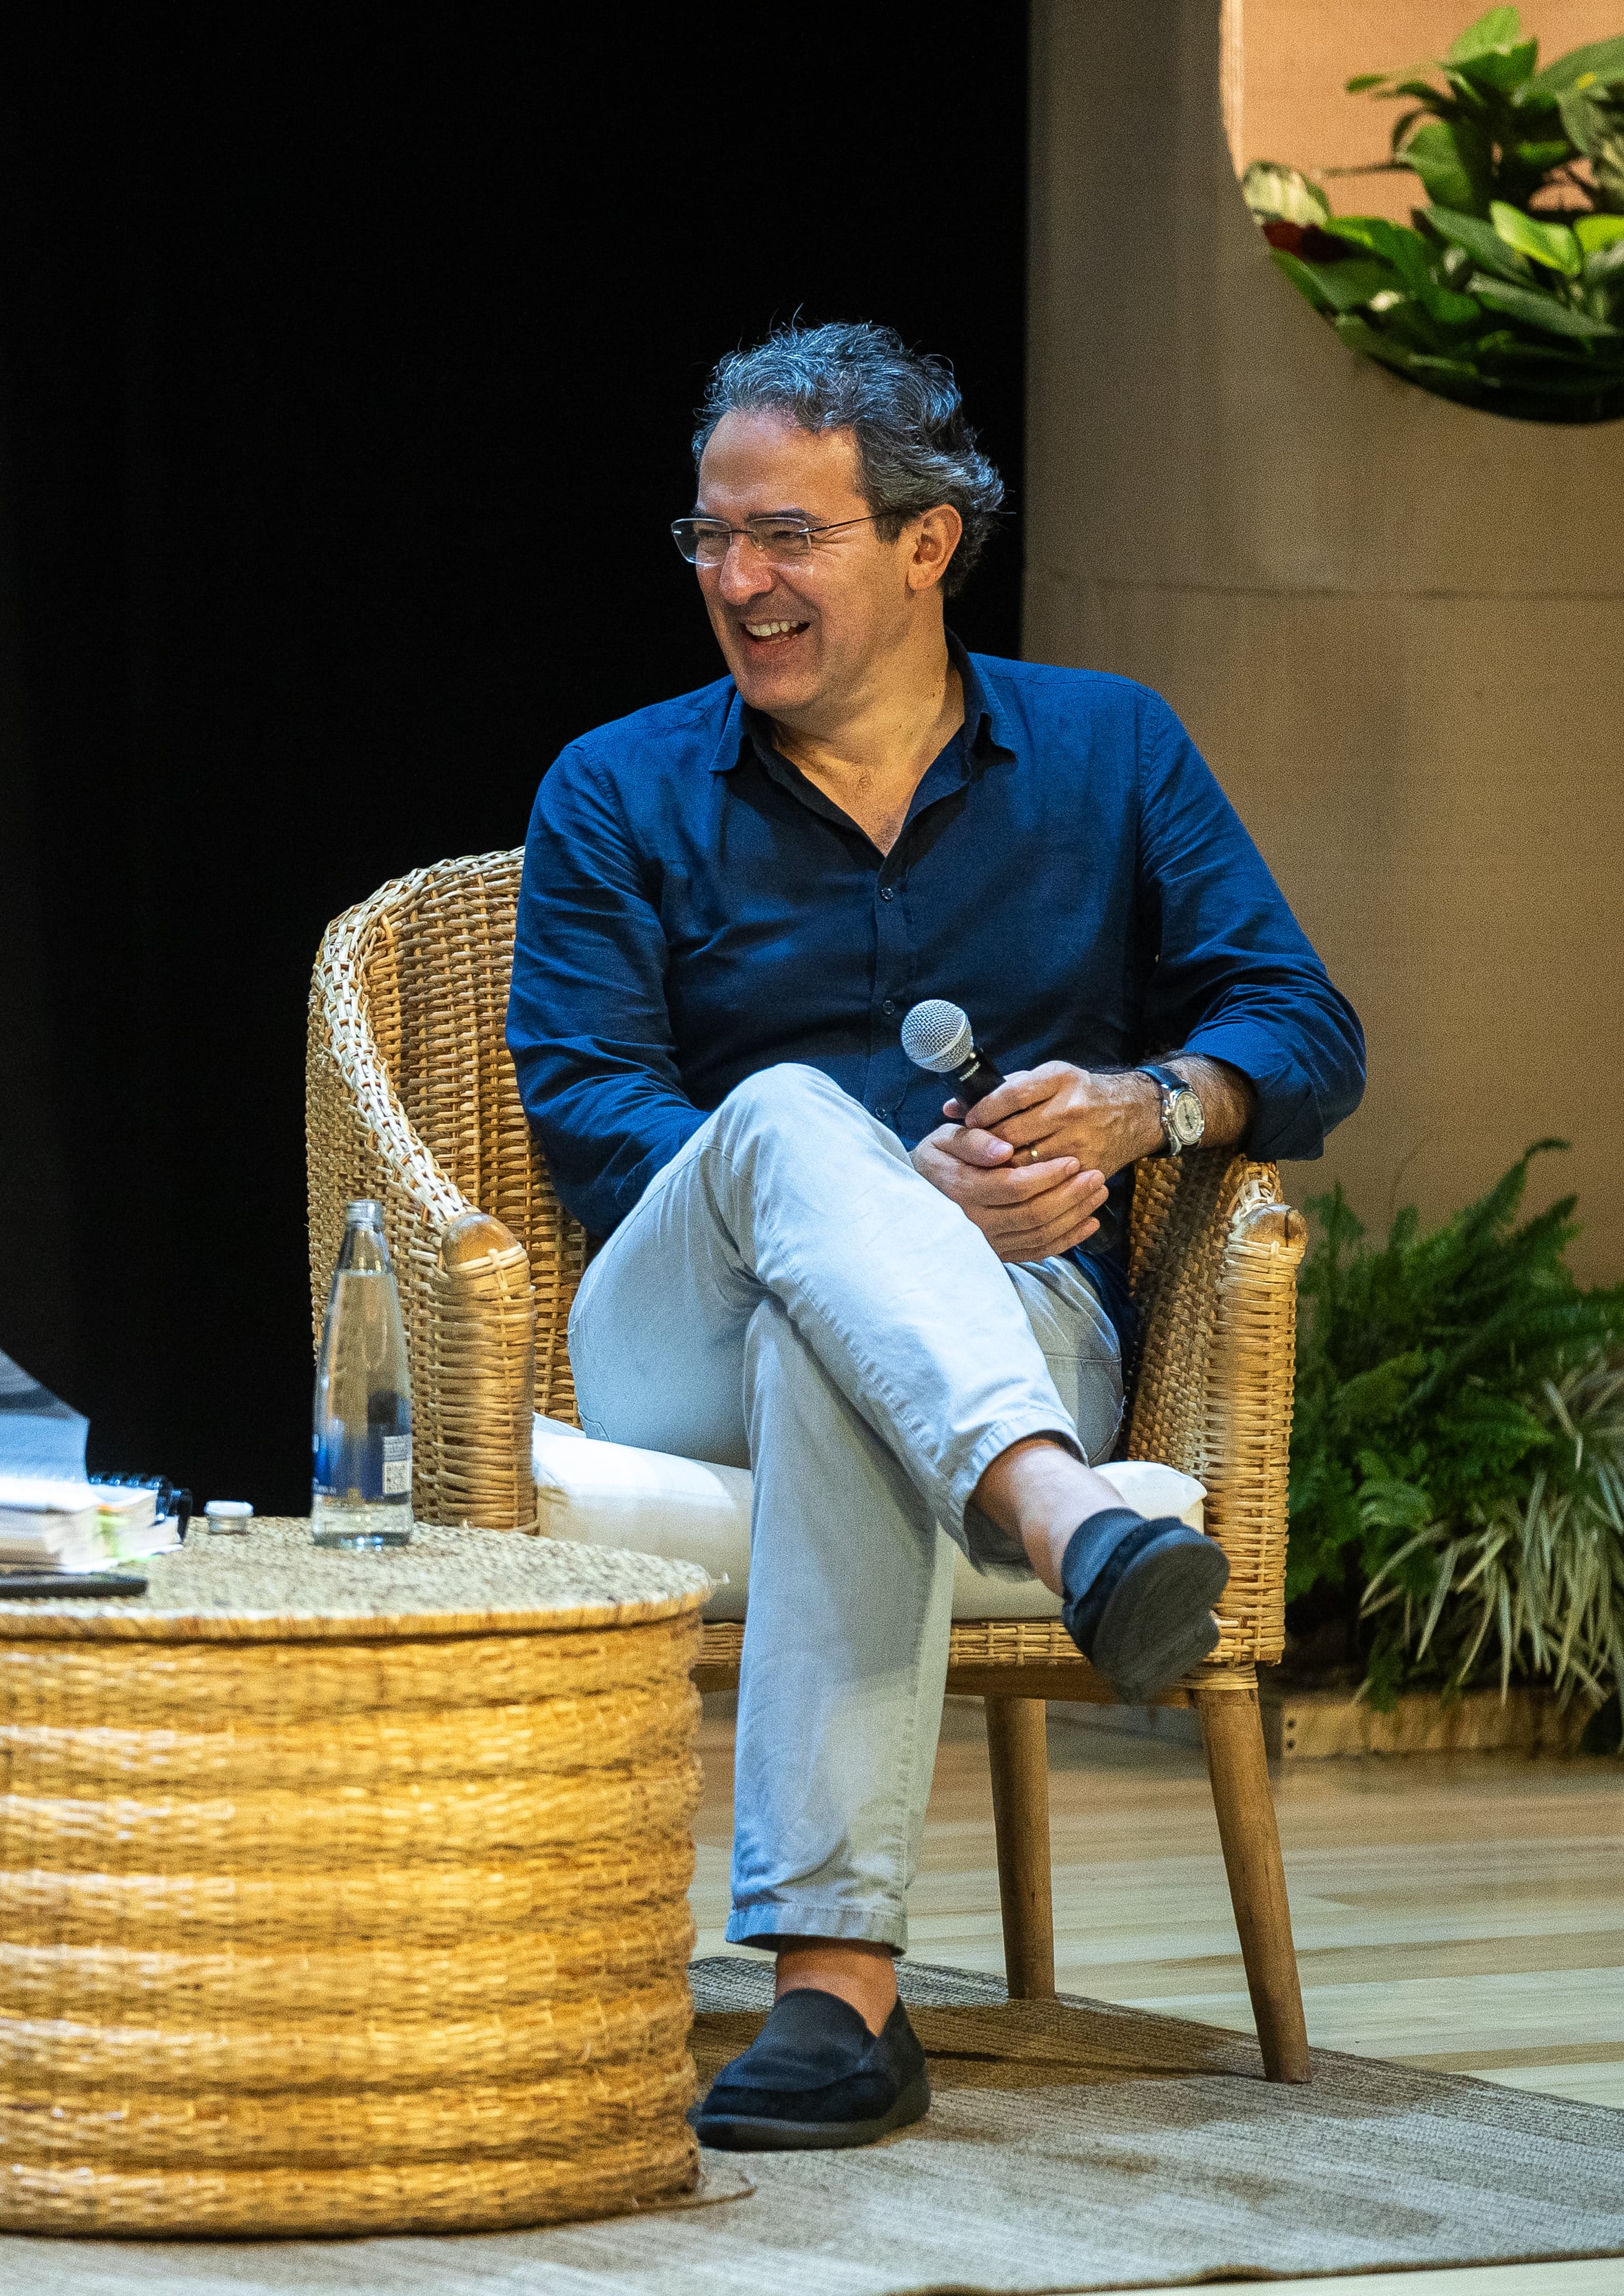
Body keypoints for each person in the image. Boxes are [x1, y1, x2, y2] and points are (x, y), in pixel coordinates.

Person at [507, 323, 1361, 2151]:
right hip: (675, 1338)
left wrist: (1151, 1106)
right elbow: (594, 1116)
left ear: (926, 541)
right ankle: (1069, 1514)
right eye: (710, 538)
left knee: (848, 1341)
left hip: (1007, 1309)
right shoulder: (614, 786)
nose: (739, 579)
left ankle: (838, 2002)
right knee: (789, 1123)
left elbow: (1304, 1025)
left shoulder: (1112, 749)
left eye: (787, 536)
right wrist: (869, 1198)